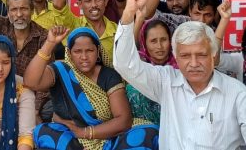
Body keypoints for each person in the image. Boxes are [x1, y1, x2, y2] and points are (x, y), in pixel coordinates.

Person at [113, 0, 246, 149]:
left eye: (201, 55)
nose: (193, 63)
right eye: (185, 56)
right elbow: (125, 64)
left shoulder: (237, 93)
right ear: (176, 57)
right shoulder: (166, 82)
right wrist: (128, 13)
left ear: (213, 56)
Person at [25, 26, 160, 150]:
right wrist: (49, 44)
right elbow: (31, 82)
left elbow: (123, 120)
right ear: (70, 53)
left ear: (98, 52)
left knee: (147, 132)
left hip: (110, 136)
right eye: (77, 51)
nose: (84, 57)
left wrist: (86, 132)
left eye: (89, 50)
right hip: (73, 138)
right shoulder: (61, 71)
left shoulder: (108, 75)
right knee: (45, 132)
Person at [126, 19, 175, 124]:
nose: (159, 46)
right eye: (153, 41)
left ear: (170, 41)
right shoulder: (137, 67)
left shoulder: (180, 66)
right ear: (144, 43)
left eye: (163, 40)